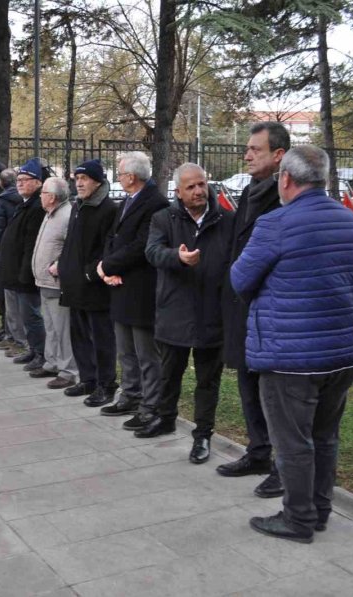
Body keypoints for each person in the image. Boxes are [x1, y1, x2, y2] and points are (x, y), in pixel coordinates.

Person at [230, 145, 353, 544]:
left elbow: (240, 279)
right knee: (325, 436)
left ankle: (298, 518)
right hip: (341, 353)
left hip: (291, 356)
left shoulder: (276, 223)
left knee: (293, 443)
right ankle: (319, 510)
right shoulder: (350, 222)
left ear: (285, 179)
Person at [216, 121, 291, 498]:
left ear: (279, 155)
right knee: (247, 385)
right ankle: (258, 452)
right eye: (247, 148)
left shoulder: (286, 196)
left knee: (273, 393)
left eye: (255, 150)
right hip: (240, 307)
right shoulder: (249, 191)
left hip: (267, 309)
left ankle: (283, 465)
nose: (246, 155)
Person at [142, 163, 234, 464]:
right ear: (178, 193)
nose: (198, 191)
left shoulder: (226, 220)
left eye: (201, 184)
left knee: (208, 382)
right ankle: (165, 417)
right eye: (191, 187)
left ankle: (203, 435)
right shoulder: (163, 219)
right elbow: (152, 253)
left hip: (212, 314)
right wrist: (177, 257)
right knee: (170, 374)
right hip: (175, 312)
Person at [97, 152, 169, 416]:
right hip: (119, 285)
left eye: (120, 172)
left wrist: (110, 265)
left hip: (141, 287)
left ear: (132, 177)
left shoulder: (155, 203)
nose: (118, 176)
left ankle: (151, 404)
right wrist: (106, 267)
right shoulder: (127, 200)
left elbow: (142, 245)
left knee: (146, 353)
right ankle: (130, 395)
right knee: (125, 349)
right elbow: (112, 238)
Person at [58, 159, 118, 397]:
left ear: (97, 181)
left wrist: (90, 272)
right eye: (77, 179)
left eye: (84, 179)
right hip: (73, 284)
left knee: (101, 338)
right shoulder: (78, 206)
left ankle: (106, 384)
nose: (79, 184)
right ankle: (88, 379)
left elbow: (108, 247)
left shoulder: (108, 209)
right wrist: (63, 265)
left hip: (94, 286)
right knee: (79, 335)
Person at [0, 158, 47, 368]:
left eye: (25, 180)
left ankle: (40, 353)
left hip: (24, 275)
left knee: (32, 316)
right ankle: (33, 349)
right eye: (18, 180)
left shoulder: (36, 207)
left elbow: (30, 244)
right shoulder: (24, 203)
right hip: (15, 272)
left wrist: (25, 274)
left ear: (38, 182)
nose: (19, 183)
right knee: (25, 317)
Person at [30, 176, 77, 384]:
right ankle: (52, 363)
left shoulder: (67, 215)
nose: (40, 196)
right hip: (43, 281)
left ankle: (68, 371)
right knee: (50, 326)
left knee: (62, 329)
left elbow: (71, 247)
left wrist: (58, 264)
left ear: (53, 197)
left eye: (43, 193)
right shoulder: (49, 214)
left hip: (57, 283)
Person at [0, 168, 23, 345]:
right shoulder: (22, 198)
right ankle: (13, 331)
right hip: (18, 252)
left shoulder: (1, 201)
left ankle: (9, 331)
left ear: (1, 182)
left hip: (3, 254)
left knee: (4, 295)